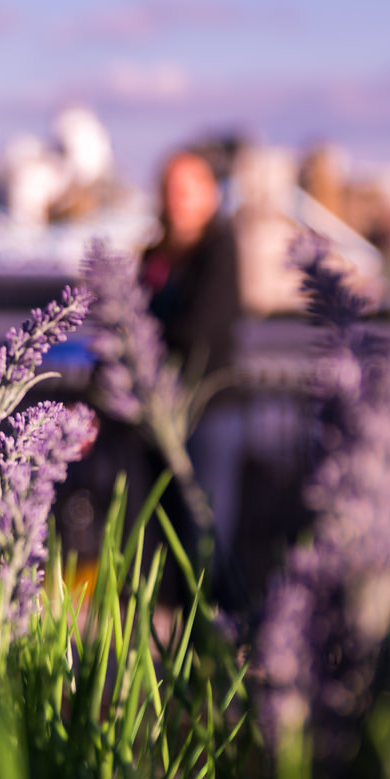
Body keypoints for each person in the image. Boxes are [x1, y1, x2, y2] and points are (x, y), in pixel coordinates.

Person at [139, 151, 245, 579]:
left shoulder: (220, 249)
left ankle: (214, 635)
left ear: (211, 197)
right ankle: (183, 636)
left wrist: (150, 339)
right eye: (170, 190)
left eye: (186, 190)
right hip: (159, 414)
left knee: (208, 536)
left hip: (211, 412)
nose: (176, 199)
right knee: (166, 536)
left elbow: (203, 327)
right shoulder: (154, 255)